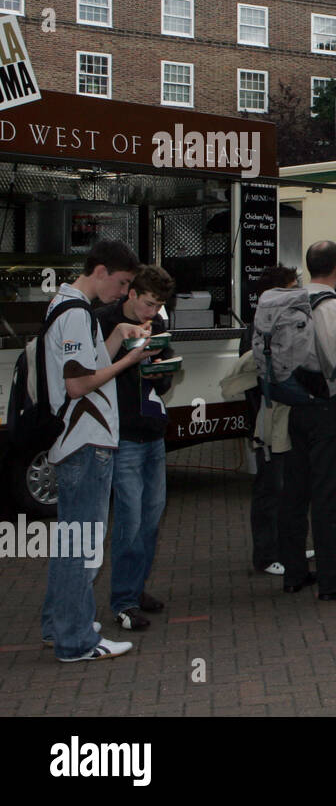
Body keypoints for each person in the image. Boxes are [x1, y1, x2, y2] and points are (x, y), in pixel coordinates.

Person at [40, 240, 150, 662]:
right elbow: (79, 383)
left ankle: (62, 625)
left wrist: (120, 336)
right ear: (100, 270)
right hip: (85, 442)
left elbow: (84, 367)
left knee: (73, 542)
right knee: (81, 547)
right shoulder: (73, 312)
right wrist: (131, 359)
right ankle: (75, 640)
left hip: (79, 441)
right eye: (122, 283)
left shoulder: (68, 307)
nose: (123, 294)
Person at [278, 241, 336, 600]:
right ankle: (333, 578)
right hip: (328, 407)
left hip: (292, 404)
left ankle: (293, 573)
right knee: (328, 494)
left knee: (295, 491)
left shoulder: (286, 303)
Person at [96, 264, 176, 632]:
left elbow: (164, 379)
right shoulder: (104, 323)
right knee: (128, 522)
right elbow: (91, 372)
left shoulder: (156, 326)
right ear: (130, 295)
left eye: (157, 307)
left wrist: (161, 373)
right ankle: (124, 602)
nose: (150, 314)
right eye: (146, 305)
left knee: (149, 519)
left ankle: (135, 589)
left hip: (152, 432)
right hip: (122, 435)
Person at [230, 264, 300, 575]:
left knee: (286, 488)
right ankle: (266, 554)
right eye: (292, 287)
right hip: (269, 421)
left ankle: (285, 548)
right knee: (271, 487)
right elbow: (259, 380)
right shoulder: (259, 329)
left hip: (281, 420)